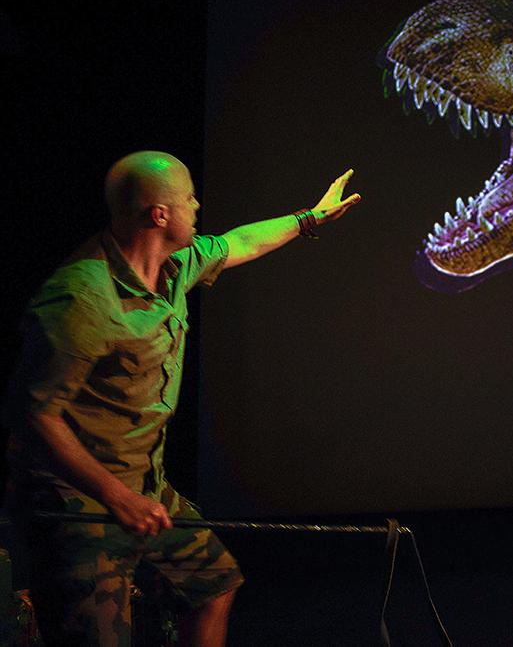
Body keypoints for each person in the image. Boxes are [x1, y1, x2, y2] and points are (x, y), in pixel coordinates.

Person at [2, 151, 361, 646]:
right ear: (160, 215)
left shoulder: (175, 266)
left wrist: (308, 219)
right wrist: (116, 496)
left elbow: (240, 243)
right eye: (188, 196)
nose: (197, 202)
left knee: (214, 584)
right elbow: (36, 416)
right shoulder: (81, 299)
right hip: (76, 508)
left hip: (144, 487)